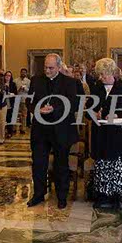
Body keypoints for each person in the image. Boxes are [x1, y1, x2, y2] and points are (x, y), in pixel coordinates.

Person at [27, 54, 78, 209]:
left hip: (61, 129)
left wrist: (54, 109)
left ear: (59, 67)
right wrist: (37, 109)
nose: (47, 71)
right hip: (40, 129)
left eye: (51, 68)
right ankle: (38, 194)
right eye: (45, 67)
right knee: (38, 163)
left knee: (61, 164)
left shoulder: (69, 82)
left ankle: (62, 196)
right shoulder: (36, 80)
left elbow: (73, 104)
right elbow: (29, 101)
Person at [89, 58, 122, 209]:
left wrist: (117, 115)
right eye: (99, 74)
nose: (101, 78)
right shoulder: (96, 88)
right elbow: (88, 110)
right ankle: (101, 195)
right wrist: (95, 113)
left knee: (115, 163)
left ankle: (115, 196)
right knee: (101, 163)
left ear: (112, 72)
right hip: (100, 131)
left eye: (103, 74)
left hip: (116, 133)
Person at [14, 68, 31, 134]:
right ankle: (14, 128)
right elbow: (14, 90)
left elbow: (30, 91)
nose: (23, 73)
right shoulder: (15, 80)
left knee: (24, 115)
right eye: (22, 72)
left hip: (24, 100)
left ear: (26, 73)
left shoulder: (28, 81)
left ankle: (23, 129)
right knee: (15, 114)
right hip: (17, 99)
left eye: (24, 72)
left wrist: (25, 89)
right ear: (20, 72)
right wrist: (19, 89)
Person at [3, 71, 18, 138]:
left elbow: (15, 93)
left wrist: (9, 94)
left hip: (10, 102)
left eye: (9, 76)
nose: (7, 77)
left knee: (9, 118)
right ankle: (3, 132)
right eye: (6, 75)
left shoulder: (13, 84)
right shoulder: (2, 83)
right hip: (3, 102)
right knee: (3, 118)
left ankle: (10, 132)